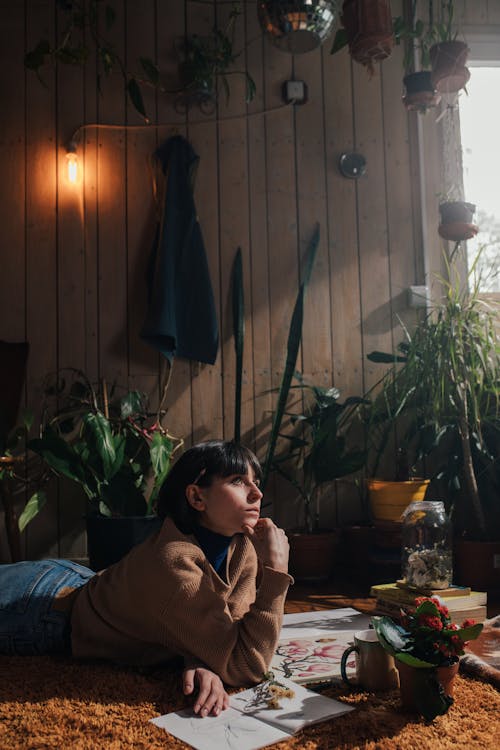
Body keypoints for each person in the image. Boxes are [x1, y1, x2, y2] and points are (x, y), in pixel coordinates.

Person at [0, 440, 292, 718]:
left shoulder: (241, 548)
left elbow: (232, 635)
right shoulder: (171, 563)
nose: (257, 493)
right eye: (238, 481)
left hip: (81, 580)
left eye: (255, 481)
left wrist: (201, 657)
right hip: (42, 611)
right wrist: (277, 574)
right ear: (196, 497)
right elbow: (247, 665)